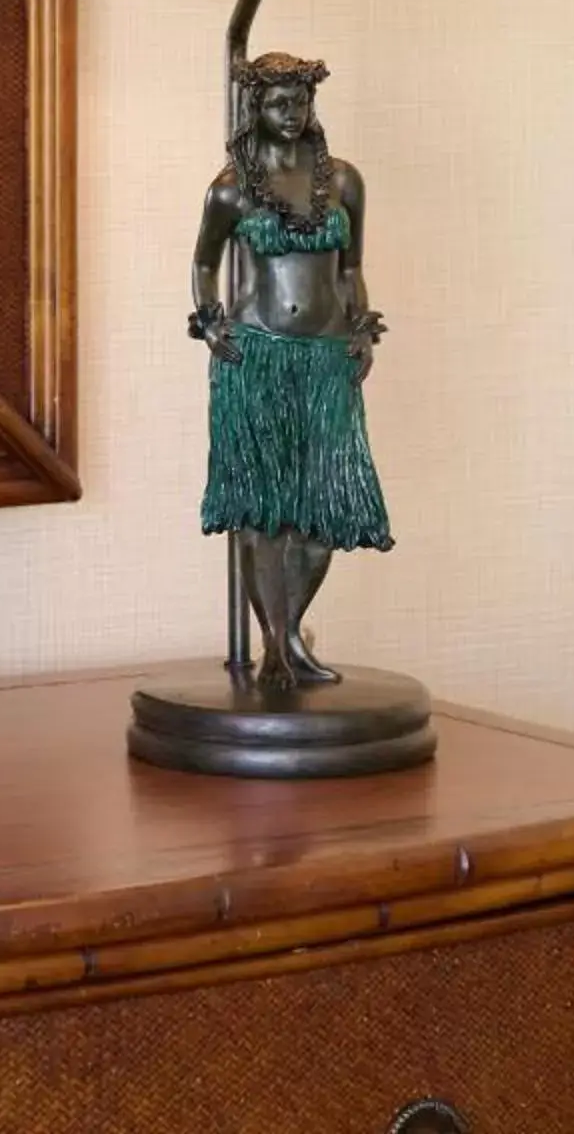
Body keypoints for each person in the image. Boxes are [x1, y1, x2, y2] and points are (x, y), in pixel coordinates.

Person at [186, 51, 389, 689]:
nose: (291, 114)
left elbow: (351, 270)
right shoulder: (231, 187)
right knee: (263, 509)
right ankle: (272, 643)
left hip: (326, 356)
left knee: (319, 509)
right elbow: (203, 261)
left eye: (299, 102)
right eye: (278, 103)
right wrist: (211, 321)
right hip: (259, 355)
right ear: (256, 108)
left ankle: (290, 632)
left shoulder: (344, 182)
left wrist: (362, 331)